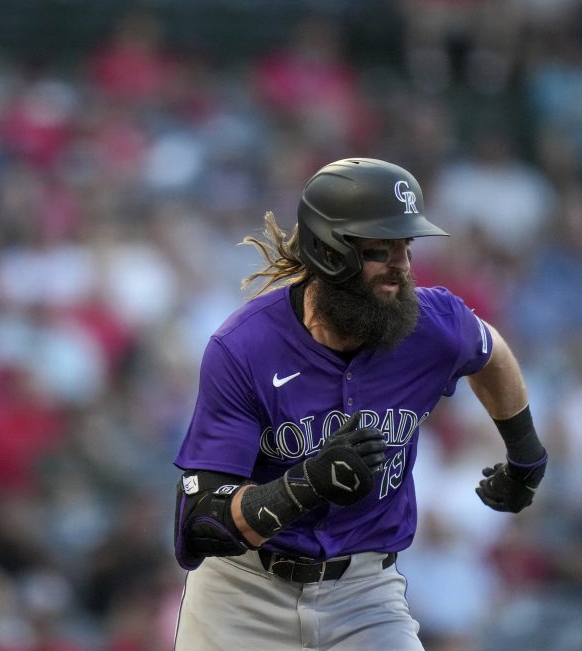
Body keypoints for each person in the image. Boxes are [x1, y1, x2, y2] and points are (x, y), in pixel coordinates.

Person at [172, 157, 548, 650]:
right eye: (381, 250)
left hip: (366, 594)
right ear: (329, 253)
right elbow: (202, 522)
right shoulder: (244, 347)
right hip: (244, 597)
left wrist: (526, 457)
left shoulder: (430, 324)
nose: (403, 267)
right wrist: (305, 486)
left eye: (406, 247)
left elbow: (490, 353)